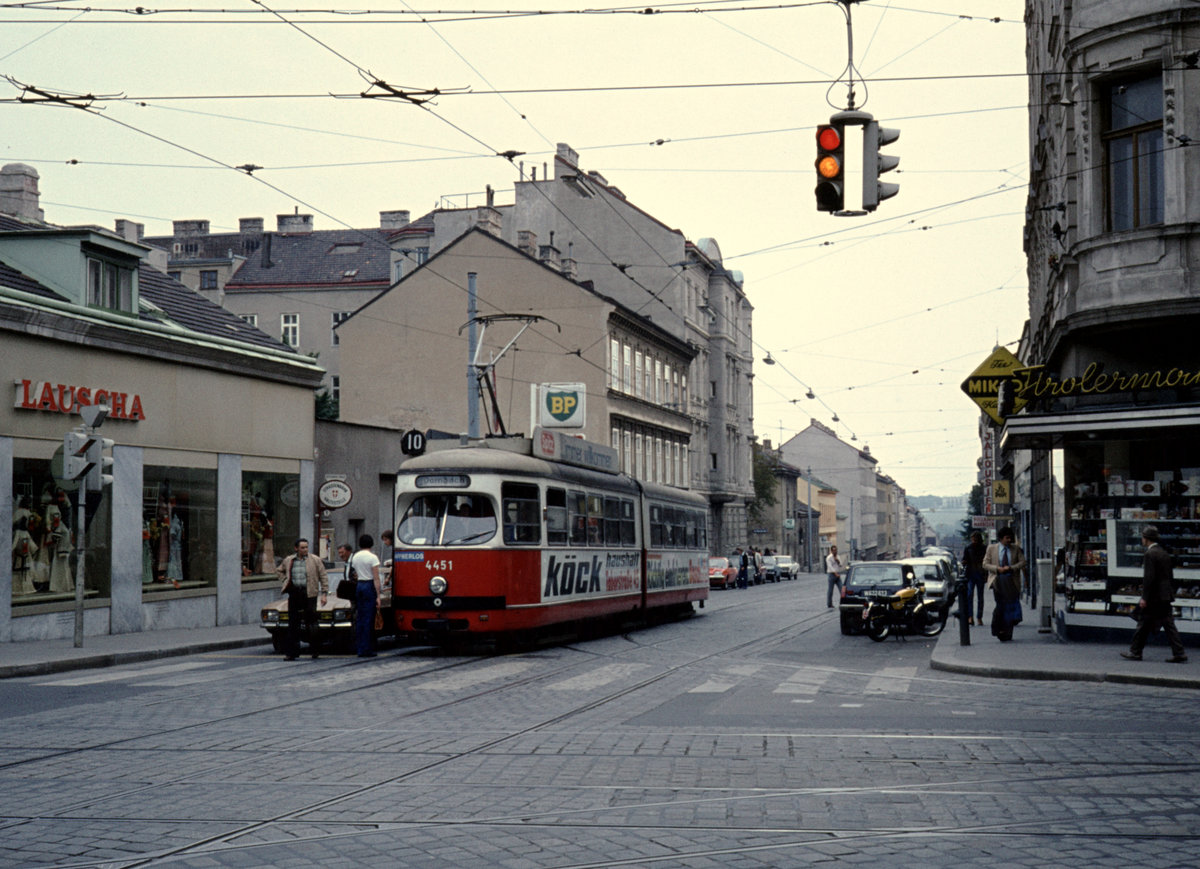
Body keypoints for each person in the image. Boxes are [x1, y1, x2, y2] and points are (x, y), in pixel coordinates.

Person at [1122, 526, 1187, 663]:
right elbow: (1170, 576)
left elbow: (1149, 578)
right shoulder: (1164, 553)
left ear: (1146, 539)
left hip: (1154, 597)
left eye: (1143, 537)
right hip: (1164, 595)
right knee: (1168, 624)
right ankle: (1179, 653)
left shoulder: (1150, 554)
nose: (1142, 539)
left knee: (1143, 623)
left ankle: (1135, 652)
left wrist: (1144, 597)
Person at [276, 537, 328, 660]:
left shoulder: (315, 560)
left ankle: (315, 650)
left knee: (311, 622)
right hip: (295, 593)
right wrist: (285, 581)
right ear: (296, 548)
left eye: (306, 547)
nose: (305, 550)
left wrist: (324, 593)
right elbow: (279, 571)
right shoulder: (289, 560)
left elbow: (323, 576)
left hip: (309, 594)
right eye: (302, 547)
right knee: (293, 623)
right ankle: (292, 652)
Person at [983, 526, 1026, 641]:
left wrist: (1011, 568)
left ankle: (1008, 632)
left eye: (1010, 538)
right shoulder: (992, 548)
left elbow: (1023, 562)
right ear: (1001, 539)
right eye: (1007, 538)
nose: (1009, 540)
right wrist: (997, 569)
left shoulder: (1015, 549)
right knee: (1000, 605)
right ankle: (998, 628)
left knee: (1010, 607)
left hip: (1012, 581)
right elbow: (985, 564)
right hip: (998, 581)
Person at [351, 533, 382, 658]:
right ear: (371, 544)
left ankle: (360, 648)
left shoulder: (355, 557)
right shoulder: (373, 557)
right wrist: (378, 596)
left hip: (359, 585)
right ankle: (367, 648)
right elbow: (376, 578)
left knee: (360, 618)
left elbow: (355, 573)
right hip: (369, 585)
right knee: (369, 617)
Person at [961, 531, 988, 626]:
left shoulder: (984, 548)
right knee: (969, 596)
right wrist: (964, 562)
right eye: (972, 539)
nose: (974, 541)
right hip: (971, 574)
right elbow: (964, 559)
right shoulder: (968, 548)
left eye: (975, 539)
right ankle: (970, 617)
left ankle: (979, 617)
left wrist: (986, 575)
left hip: (980, 574)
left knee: (980, 597)